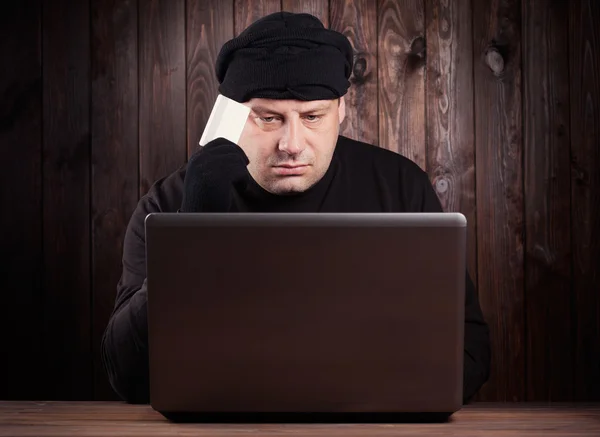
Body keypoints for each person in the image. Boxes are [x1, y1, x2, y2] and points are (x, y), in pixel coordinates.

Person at [101, 11, 491, 405]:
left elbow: (470, 350)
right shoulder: (168, 203)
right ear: (232, 114)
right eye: (269, 118)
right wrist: (191, 237)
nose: (292, 143)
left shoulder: (400, 188)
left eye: (312, 117)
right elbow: (125, 375)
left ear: (341, 109)